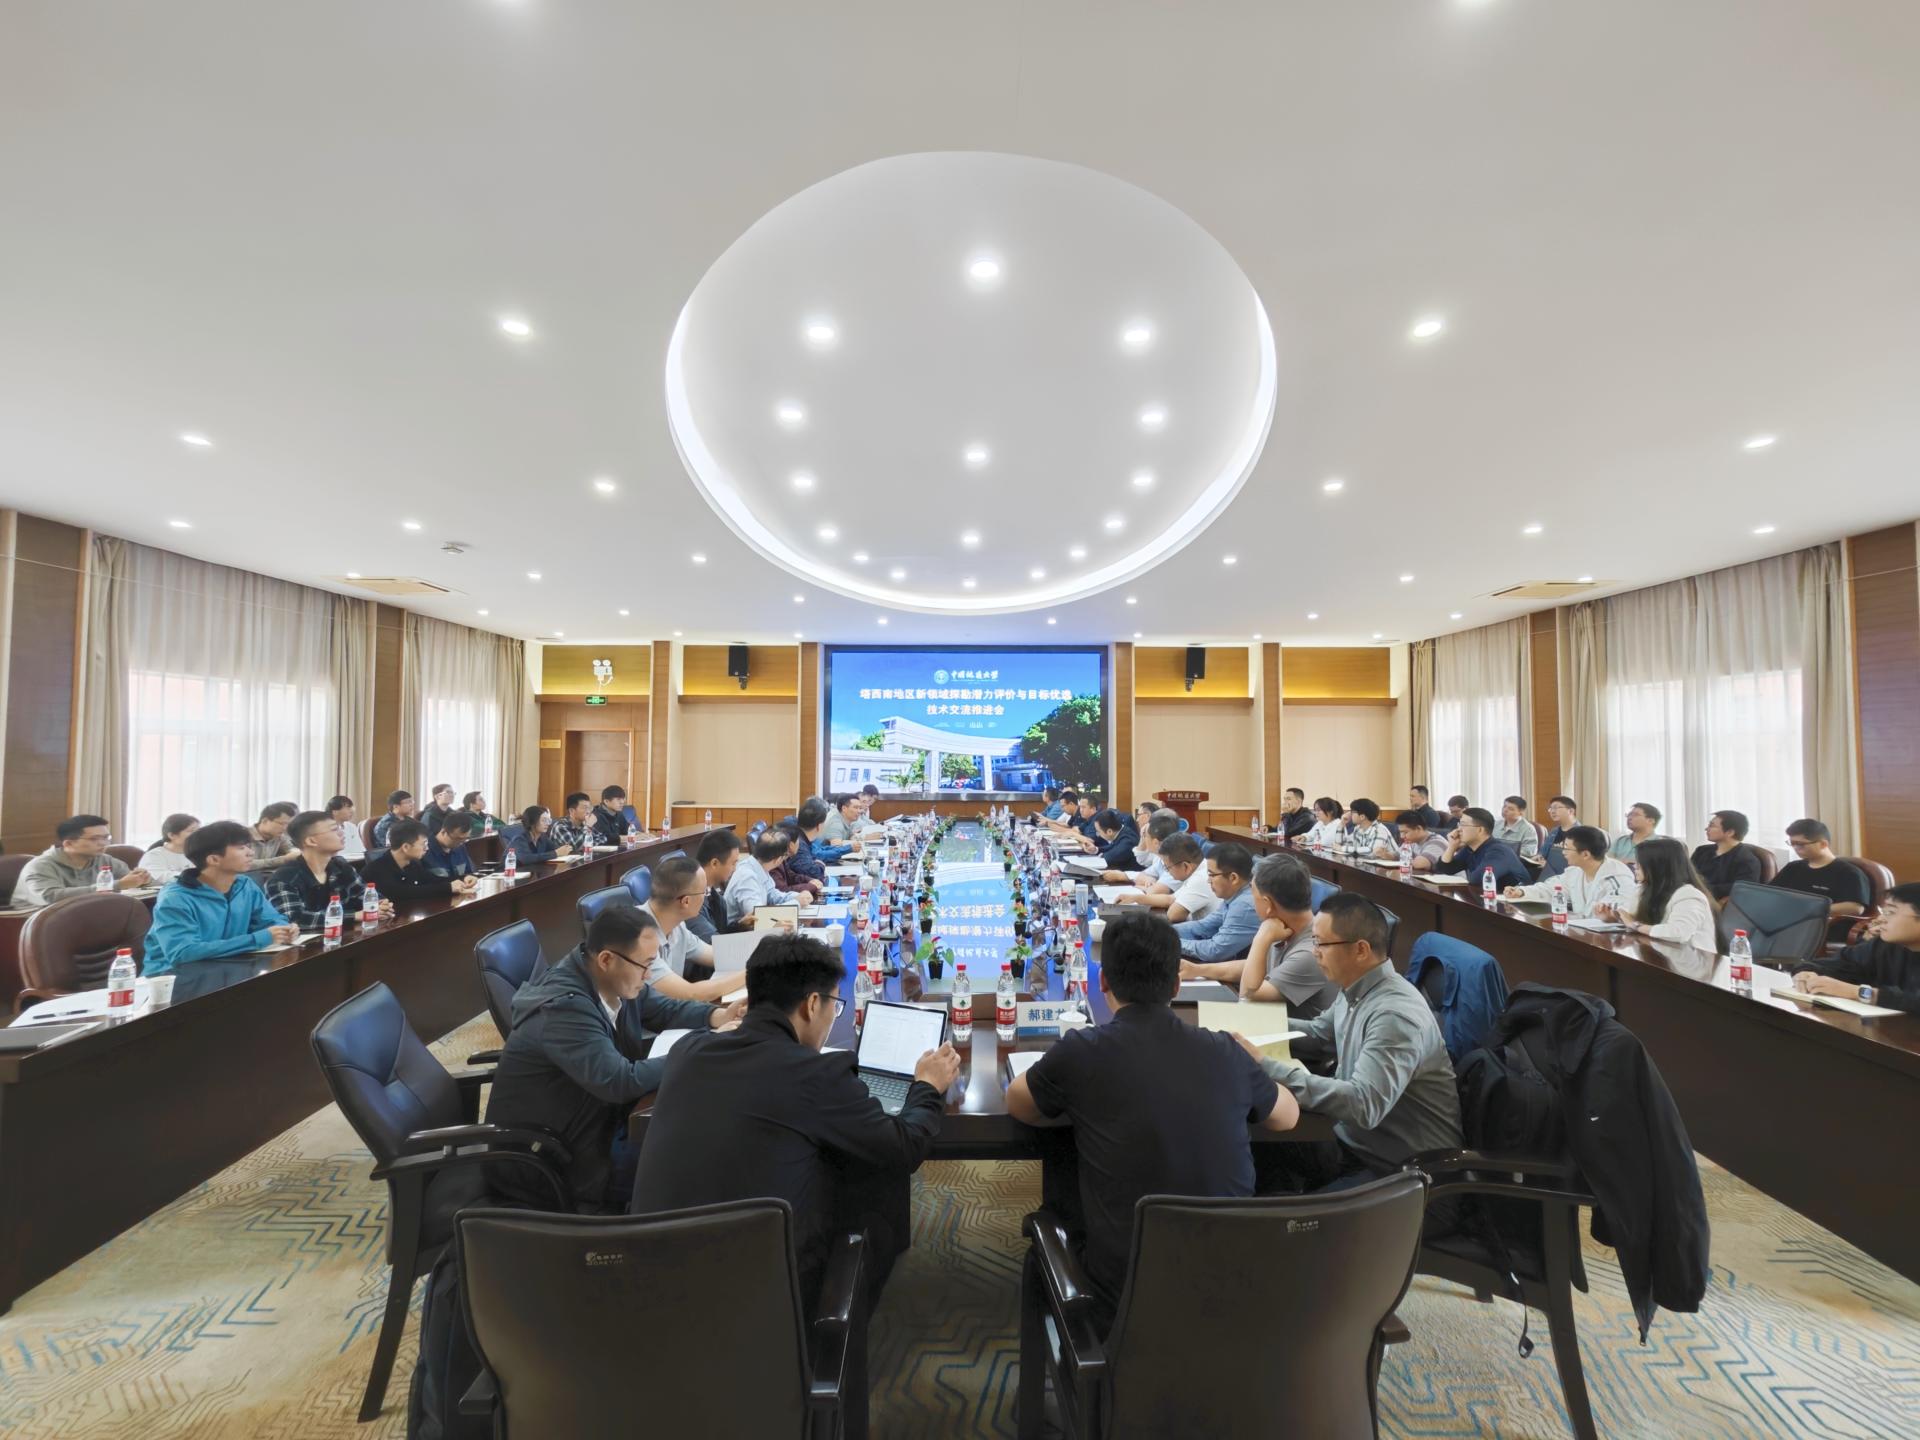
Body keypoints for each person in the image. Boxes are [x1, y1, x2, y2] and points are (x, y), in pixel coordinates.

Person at [632, 932, 959, 1308]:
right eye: (834, 1005)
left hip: (649, 1285)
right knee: (876, 1188)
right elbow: (904, 1147)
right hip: (758, 1302)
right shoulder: (815, 1075)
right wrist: (926, 1086)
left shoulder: (687, 1051)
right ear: (812, 1004)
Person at [1007, 911, 1295, 1330]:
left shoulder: (1084, 1049)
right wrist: (1256, 1064)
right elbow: (1287, 1117)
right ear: (1176, 985)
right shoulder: (1225, 1051)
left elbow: (1018, 1103)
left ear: (1104, 982)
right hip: (1230, 1284)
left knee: (1063, 1187)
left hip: (1123, 1297)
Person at [484, 907, 743, 1212]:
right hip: (558, 1157)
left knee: (703, 1136)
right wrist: (699, 1048)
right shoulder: (564, 1009)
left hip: (597, 1122)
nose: (649, 975)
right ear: (606, 959)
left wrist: (716, 1016)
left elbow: (664, 1009)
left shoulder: (609, 978)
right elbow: (620, 1082)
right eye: (645, 965)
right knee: (699, 1162)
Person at [1243, 893, 1463, 1192]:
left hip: (1402, 1172)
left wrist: (1264, 1066)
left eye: (1321, 943)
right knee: (1252, 1146)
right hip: (1353, 1144)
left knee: (1285, 1209)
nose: (1314, 952)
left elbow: (1363, 1105)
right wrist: (1249, 1025)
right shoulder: (1355, 988)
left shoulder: (1394, 1016)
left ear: (1360, 950)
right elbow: (1319, 1033)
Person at [144, 821, 299, 975]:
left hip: (228, 966)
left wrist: (284, 929)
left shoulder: (245, 885)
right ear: (214, 860)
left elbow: (270, 919)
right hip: (172, 977)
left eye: (248, 846)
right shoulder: (175, 898)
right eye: (241, 848)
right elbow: (183, 952)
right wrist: (258, 939)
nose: (250, 853)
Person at [1236, 853, 1340, 1017]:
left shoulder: (1311, 953)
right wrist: (1200, 970)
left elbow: (1248, 997)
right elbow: (1255, 965)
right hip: (1275, 1023)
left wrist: (1260, 939)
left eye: (1253, 895)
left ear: (1268, 904)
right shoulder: (1284, 926)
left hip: (1295, 1033)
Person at [1791, 882, 1920, 1013]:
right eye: (1884, 911)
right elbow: (1841, 964)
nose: (1881, 918)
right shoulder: (1884, 945)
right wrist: (1807, 973)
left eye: (1891, 912)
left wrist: (1857, 992)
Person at [638, 856, 750, 1002]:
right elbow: (691, 993)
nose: (706, 897)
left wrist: (764, 955)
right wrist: (750, 972)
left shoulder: (677, 926)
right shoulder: (638, 936)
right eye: (705, 892)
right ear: (686, 901)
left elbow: (717, 955)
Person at [264, 810, 391, 929]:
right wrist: (355, 916)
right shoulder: (284, 878)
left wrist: (380, 905)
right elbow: (294, 919)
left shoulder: (340, 866)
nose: (341, 833)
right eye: (334, 829)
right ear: (311, 841)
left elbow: (363, 894)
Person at [1595, 837, 1718, 953]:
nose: (1635, 866)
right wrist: (1611, 917)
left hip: (1691, 961)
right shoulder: (1642, 889)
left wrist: (1635, 925)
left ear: (1657, 866)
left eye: (1640, 863)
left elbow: (1678, 933)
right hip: (1659, 954)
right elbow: (1629, 915)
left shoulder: (1689, 895)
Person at [14, 814, 151, 908]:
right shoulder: (40, 866)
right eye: (94, 839)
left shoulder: (105, 860)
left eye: (105, 838)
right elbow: (51, 897)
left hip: (86, 917)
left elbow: (128, 881)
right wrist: (117, 885)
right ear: (68, 844)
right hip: (31, 924)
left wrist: (141, 879)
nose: (103, 843)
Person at [1505, 825, 1636, 915]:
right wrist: (1521, 891)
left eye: (1567, 848)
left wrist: (1608, 912)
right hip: (1582, 933)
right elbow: (1550, 888)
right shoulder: (1575, 871)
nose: (1563, 852)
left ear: (1585, 854)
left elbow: (1621, 908)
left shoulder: (1616, 875)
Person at [1173, 842, 1261, 967]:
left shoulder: (1244, 905)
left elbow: (1215, 951)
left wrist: (1171, 942)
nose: (1208, 880)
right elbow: (1203, 927)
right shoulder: (1235, 896)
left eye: (1212, 875)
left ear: (1233, 878)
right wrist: (1163, 932)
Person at [361, 818, 478, 901]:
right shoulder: (377, 869)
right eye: (423, 844)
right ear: (406, 847)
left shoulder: (412, 864)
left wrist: (463, 878)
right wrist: (448, 888)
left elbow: (433, 880)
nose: (427, 848)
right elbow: (403, 893)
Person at [1772, 819, 1871, 917]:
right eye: (1792, 843)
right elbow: (1771, 893)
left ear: (1823, 844)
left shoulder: (1849, 872)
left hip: (1823, 922)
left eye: (1800, 844)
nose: (1795, 848)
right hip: (1786, 918)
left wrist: (1810, 910)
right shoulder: (1792, 867)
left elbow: (1855, 908)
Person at [1108, 830, 1207, 915]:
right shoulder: (1194, 871)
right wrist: (1135, 898)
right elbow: (1170, 899)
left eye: (1168, 868)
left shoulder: (1200, 878)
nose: (1167, 871)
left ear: (1186, 866)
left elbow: (1173, 915)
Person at [1434, 807, 1532, 891]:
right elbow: (1444, 869)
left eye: (1463, 825)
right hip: (1489, 898)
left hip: (1517, 903)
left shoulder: (1498, 851)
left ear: (1480, 830)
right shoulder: (1470, 848)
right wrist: (1451, 847)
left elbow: (1480, 879)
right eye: (1459, 824)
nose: (1459, 829)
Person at [726, 827, 811, 923]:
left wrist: (796, 896)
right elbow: (758, 916)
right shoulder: (747, 877)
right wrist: (796, 903)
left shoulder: (760, 867)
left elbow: (772, 895)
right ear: (778, 859)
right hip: (739, 931)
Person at [1690, 810, 1764, 901]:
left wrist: (1698, 889)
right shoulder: (1701, 851)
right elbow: (1686, 875)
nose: (1706, 829)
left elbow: (1742, 891)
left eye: (1712, 826)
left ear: (1730, 832)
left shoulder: (1747, 861)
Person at [687, 828, 744, 941]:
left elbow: (719, 932)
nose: (734, 869)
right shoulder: (691, 900)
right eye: (733, 863)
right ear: (714, 863)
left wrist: (740, 926)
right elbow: (716, 943)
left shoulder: (713, 894)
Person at [1106, 810, 1179, 888]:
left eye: (1145, 835)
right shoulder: (1160, 857)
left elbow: (1157, 890)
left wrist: (1123, 877)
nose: (1137, 820)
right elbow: (1143, 873)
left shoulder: (1175, 860)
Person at [137, 813, 200, 885]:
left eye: (198, 830)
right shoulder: (154, 855)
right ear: (172, 835)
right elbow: (162, 877)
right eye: (192, 831)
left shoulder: (198, 854)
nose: (198, 834)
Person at [767, 824, 825, 900]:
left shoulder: (782, 858)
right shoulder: (773, 862)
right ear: (791, 845)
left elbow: (791, 876)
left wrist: (810, 880)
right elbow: (782, 891)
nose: (800, 843)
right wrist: (811, 886)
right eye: (798, 840)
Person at [502, 805, 570, 869]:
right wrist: (555, 853)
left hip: (531, 873)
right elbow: (527, 859)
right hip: (507, 874)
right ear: (532, 822)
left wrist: (566, 849)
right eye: (544, 820)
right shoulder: (519, 839)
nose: (547, 823)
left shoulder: (543, 838)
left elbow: (557, 849)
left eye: (548, 820)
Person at [1378, 814, 1448, 871]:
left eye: (1405, 832)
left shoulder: (1436, 842)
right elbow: (1397, 856)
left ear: (1418, 828)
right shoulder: (1412, 841)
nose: (1402, 836)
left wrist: (1403, 860)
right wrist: (1385, 854)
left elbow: (1420, 864)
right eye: (1400, 832)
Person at [247, 802, 301, 870]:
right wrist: (283, 859)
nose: (285, 828)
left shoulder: (279, 836)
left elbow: (291, 849)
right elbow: (244, 864)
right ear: (265, 821)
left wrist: (294, 853)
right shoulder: (242, 835)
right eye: (281, 824)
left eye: (288, 824)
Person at [1535, 795, 1581, 876]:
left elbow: (1579, 864)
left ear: (1571, 811)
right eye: (1551, 808)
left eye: (1556, 808)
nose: (1552, 811)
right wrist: (1538, 857)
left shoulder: (1582, 833)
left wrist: (1548, 867)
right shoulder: (1554, 832)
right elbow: (1542, 853)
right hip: (1546, 873)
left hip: (1566, 877)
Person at [423, 813, 477, 881]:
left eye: (466, 839)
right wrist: (449, 885)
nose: (461, 843)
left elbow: (468, 872)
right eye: (458, 839)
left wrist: (468, 877)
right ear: (443, 832)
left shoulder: (460, 847)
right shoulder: (424, 850)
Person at [1493, 796, 1541, 861]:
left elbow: (1530, 851)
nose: (1505, 810)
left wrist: (1505, 852)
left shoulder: (1528, 829)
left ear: (1521, 812)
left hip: (1515, 861)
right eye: (1504, 806)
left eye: (1511, 809)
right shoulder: (1495, 824)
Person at [327, 796, 366, 863]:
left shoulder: (351, 826)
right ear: (335, 811)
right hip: (338, 863)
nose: (352, 811)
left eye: (351, 807)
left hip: (357, 861)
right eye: (348, 808)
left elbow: (361, 849)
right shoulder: (326, 829)